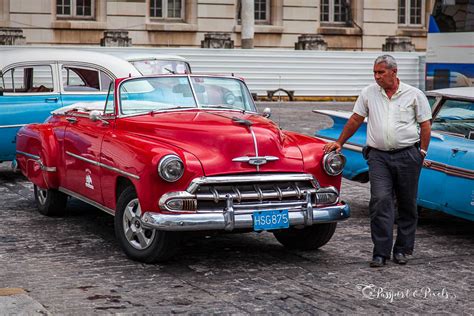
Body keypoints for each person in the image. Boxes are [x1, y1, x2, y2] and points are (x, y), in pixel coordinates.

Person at [323, 55, 432, 268]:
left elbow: (425, 125)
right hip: (378, 156)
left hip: (408, 155)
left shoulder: (414, 95)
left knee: (407, 203)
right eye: (374, 72)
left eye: (381, 72)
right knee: (380, 200)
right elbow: (355, 119)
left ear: (394, 72)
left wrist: (422, 153)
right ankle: (380, 253)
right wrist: (340, 142)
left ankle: (402, 249)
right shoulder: (368, 93)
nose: (376, 76)